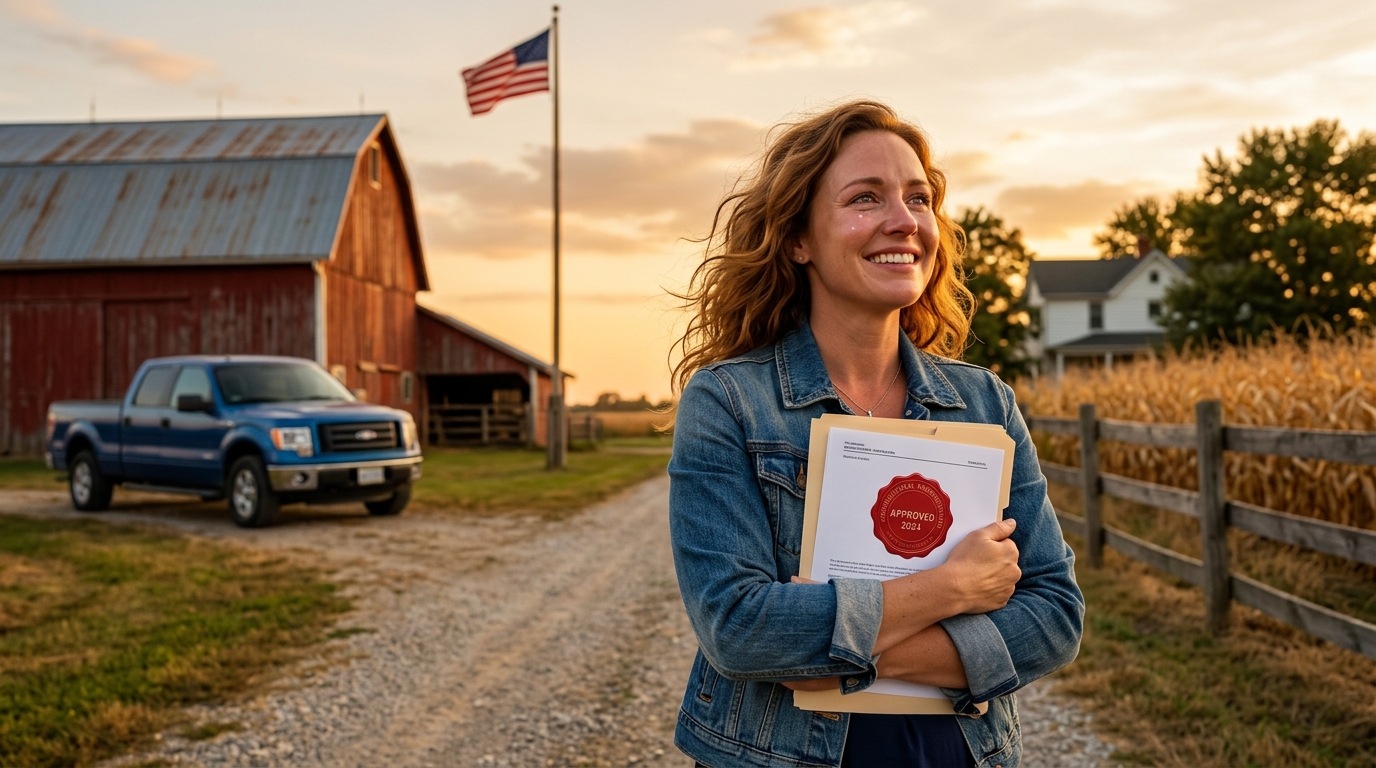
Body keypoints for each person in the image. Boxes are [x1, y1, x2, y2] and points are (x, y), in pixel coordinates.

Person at [667, 100, 1084, 768]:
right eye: (866, 198)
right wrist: (952, 589)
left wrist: (830, 657)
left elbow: (1057, 617)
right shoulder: (729, 403)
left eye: (918, 199)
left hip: (954, 752)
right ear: (799, 239)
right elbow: (739, 629)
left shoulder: (984, 404)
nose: (904, 221)